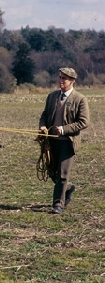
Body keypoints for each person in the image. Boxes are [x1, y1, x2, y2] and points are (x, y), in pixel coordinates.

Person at [39, 67, 89, 214]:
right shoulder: (52, 96)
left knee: (62, 174)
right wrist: (42, 126)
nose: (60, 80)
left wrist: (64, 129)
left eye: (64, 79)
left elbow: (84, 122)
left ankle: (58, 204)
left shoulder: (80, 99)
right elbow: (44, 114)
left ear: (72, 81)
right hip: (51, 142)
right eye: (60, 77)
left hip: (68, 142)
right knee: (51, 171)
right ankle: (68, 188)